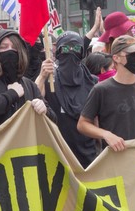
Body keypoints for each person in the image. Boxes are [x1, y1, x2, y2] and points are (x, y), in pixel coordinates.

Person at [77, 35, 135, 152]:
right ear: (116, 58)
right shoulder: (101, 89)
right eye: (131, 53)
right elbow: (83, 124)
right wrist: (106, 134)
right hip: (113, 157)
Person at [0, 29, 56, 138]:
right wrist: (12, 94)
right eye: (4, 47)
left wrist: (45, 110)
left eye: (15, 48)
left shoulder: (29, 85)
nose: (10, 51)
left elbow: (53, 120)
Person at [35, 31, 98, 168]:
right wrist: (42, 76)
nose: (70, 52)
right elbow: (34, 99)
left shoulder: (92, 82)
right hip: (57, 152)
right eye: (65, 48)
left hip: (87, 155)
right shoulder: (50, 81)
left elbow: (99, 119)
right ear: (58, 52)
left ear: (81, 53)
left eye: (75, 49)